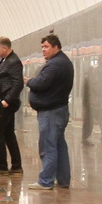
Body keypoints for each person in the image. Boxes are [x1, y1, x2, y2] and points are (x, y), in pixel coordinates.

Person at [26, 33, 75, 189]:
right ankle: (63, 180)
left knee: (48, 147)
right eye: (42, 47)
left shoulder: (55, 64)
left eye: (46, 47)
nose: (43, 50)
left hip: (51, 112)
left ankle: (46, 181)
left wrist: (29, 81)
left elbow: (41, 83)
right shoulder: (62, 62)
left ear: (56, 47)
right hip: (58, 109)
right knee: (59, 146)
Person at [0, 37, 24, 173]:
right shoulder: (4, 61)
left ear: (5, 48)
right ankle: (16, 165)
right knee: (8, 134)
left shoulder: (14, 62)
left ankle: (2, 167)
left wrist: (7, 100)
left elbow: (18, 84)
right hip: (2, 101)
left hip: (6, 104)